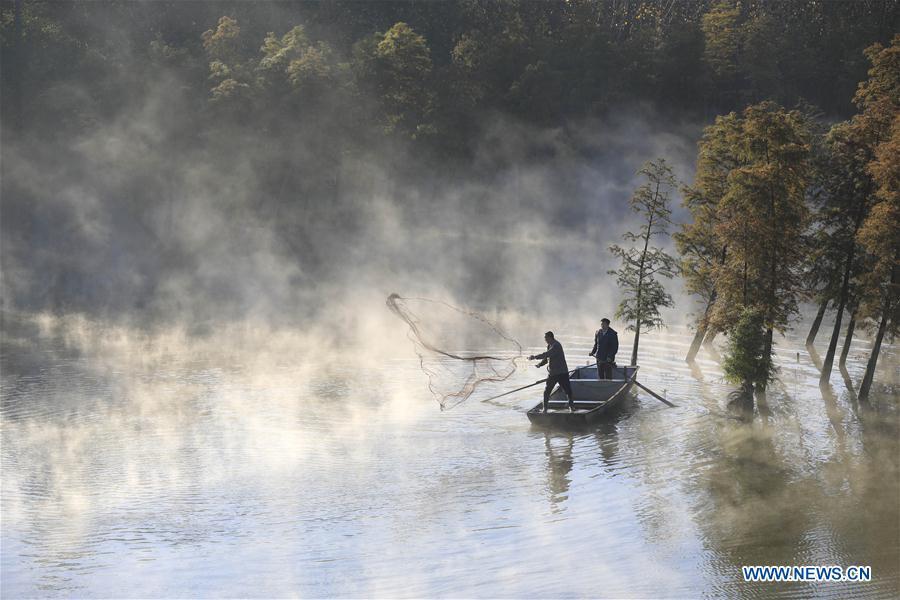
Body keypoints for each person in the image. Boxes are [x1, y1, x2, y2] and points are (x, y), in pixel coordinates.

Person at [529, 331, 574, 412]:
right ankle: (545, 408)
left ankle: (571, 406)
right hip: (553, 373)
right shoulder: (549, 345)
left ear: (550, 337)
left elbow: (547, 354)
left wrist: (535, 357)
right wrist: (540, 364)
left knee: (567, 390)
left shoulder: (556, 345)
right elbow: (547, 358)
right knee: (547, 391)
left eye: (546, 338)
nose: (545, 340)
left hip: (562, 373)